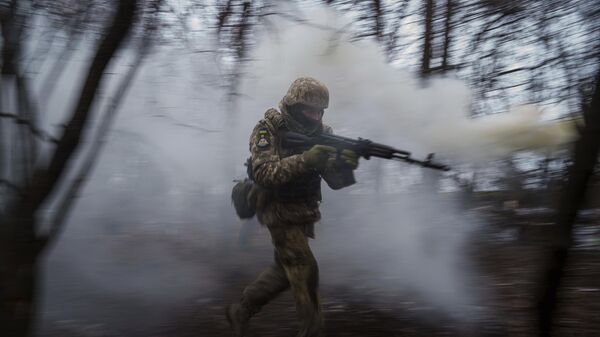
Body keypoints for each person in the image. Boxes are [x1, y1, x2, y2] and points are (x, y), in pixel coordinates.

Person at [226, 77, 359, 337]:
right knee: (304, 268)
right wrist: (307, 159)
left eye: (321, 111)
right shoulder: (268, 130)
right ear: (295, 106)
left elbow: (335, 182)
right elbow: (264, 173)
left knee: (284, 271)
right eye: (311, 110)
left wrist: (345, 165)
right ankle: (313, 328)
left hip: (303, 211)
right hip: (275, 208)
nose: (316, 115)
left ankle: (240, 311)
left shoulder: (323, 134)